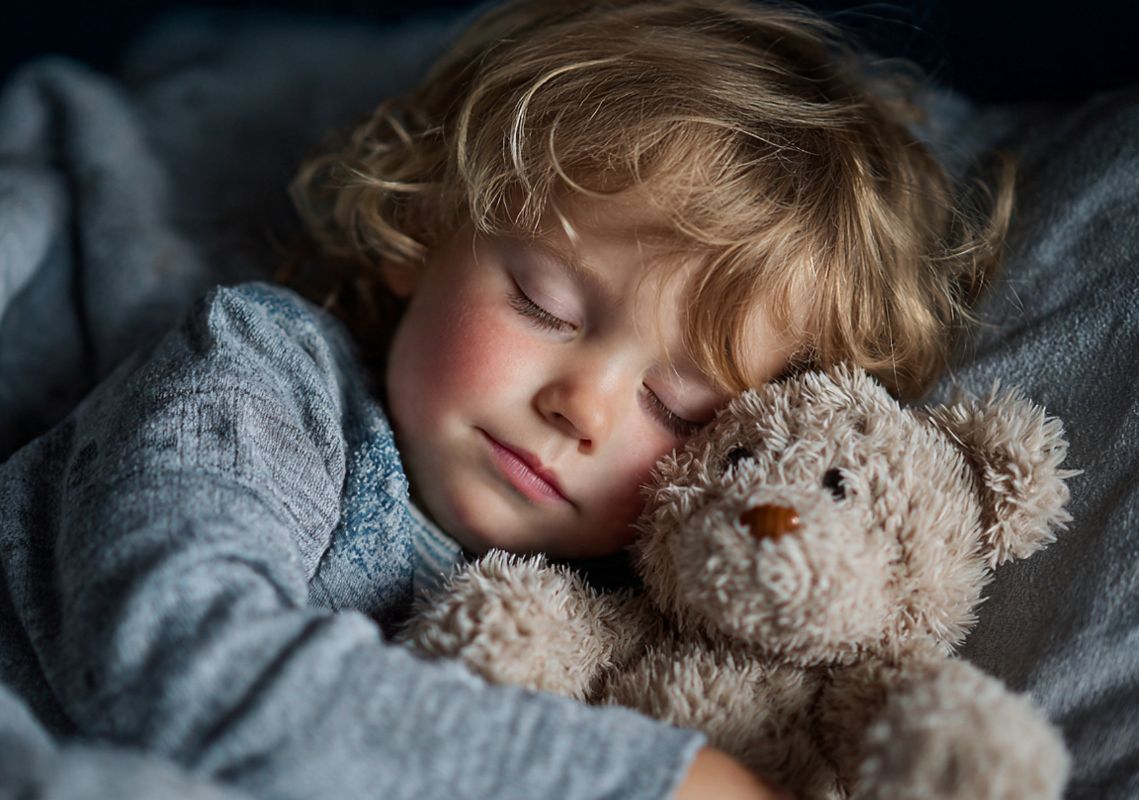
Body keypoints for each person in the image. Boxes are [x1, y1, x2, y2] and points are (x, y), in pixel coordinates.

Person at [0, 1, 1011, 798]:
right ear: (423, 222)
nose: (586, 406)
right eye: (546, 303)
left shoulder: (627, 626)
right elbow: (181, 659)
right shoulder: (254, 377)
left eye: (677, 406)